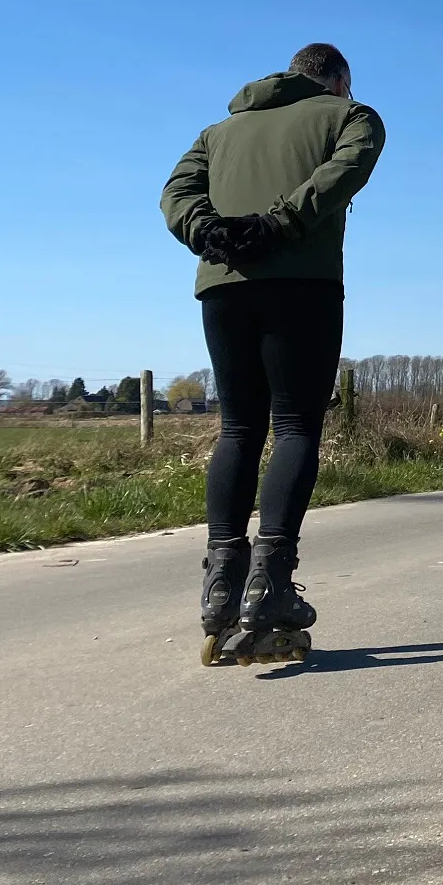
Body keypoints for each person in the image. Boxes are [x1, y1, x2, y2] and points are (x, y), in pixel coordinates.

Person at [160, 43, 385, 665]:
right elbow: (344, 171)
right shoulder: (351, 115)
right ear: (337, 80)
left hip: (223, 284)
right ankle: (270, 586)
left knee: (236, 427)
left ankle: (221, 583)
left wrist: (208, 228)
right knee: (293, 425)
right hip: (303, 283)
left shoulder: (217, 131)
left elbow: (175, 192)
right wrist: (279, 224)